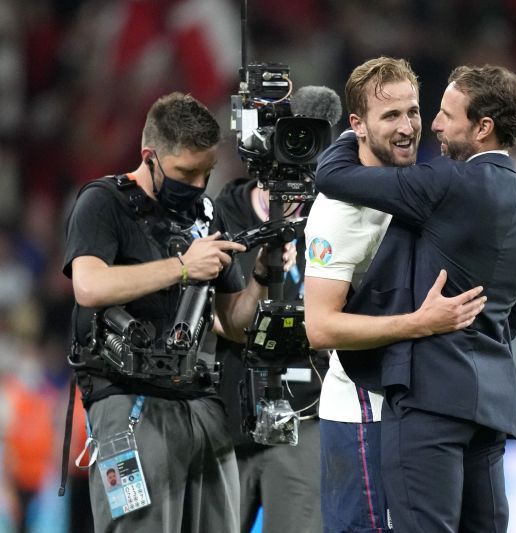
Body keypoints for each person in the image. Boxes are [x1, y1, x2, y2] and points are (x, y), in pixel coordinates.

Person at [314, 64, 516, 532]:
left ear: (483, 127)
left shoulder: (446, 184)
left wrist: (351, 128)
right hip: (492, 407)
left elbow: (332, 174)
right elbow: (513, 316)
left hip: (429, 399)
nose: (432, 126)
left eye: (441, 114)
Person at [63, 92, 292, 532]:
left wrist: (262, 275)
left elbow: (233, 324)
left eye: (206, 172)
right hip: (128, 405)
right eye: (185, 172)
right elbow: (89, 285)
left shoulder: (206, 215)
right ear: (150, 156)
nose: (198, 184)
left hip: (201, 404)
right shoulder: (103, 202)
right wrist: (184, 267)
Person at [303, 57, 485, 533]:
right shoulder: (336, 214)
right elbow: (320, 327)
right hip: (361, 414)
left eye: (413, 112)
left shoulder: (417, 187)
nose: (408, 128)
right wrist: (420, 323)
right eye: (391, 116)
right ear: (357, 126)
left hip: (416, 410)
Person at [214, 177, 324, 533]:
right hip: (228, 414)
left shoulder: (330, 217)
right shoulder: (220, 217)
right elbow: (211, 316)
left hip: (305, 419)